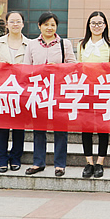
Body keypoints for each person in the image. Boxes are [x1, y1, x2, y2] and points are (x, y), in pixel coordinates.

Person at [24, 12, 76, 177]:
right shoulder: (32, 45)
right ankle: (38, 162)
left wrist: (58, 68)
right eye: (46, 24)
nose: (49, 28)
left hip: (59, 92)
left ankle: (60, 165)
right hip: (39, 91)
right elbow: (26, 68)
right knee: (39, 129)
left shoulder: (64, 44)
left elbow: (73, 66)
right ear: (39, 26)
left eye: (53, 25)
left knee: (61, 129)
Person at [78, 11, 110, 179]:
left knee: (103, 128)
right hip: (85, 91)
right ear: (88, 25)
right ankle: (89, 162)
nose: (96, 26)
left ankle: (100, 162)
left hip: (103, 92)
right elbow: (78, 67)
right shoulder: (82, 45)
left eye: (100, 23)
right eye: (93, 23)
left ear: (105, 25)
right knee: (86, 127)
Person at [0, 11, 29, 173]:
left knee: (19, 127)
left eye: (18, 21)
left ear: (23, 24)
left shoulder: (29, 44)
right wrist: (0, 67)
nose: (15, 24)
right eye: (12, 21)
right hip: (2, 90)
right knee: (2, 127)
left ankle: (16, 157)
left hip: (21, 90)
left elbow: (33, 67)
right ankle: (2, 158)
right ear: (6, 24)